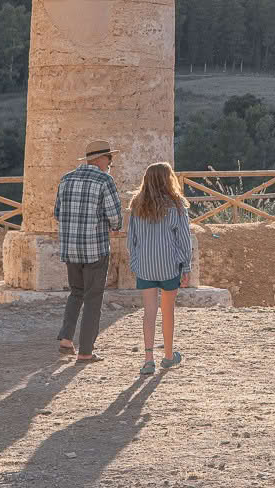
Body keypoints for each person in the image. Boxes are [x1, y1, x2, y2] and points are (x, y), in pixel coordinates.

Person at [53, 139, 123, 364]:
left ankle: (66, 339)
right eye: (110, 159)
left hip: (70, 248)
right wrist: (115, 226)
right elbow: (114, 215)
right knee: (93, 299)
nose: (110, 164)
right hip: (95, 248)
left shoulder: (66, 179)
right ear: (100, 159)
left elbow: (57, 212)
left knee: (76, 292)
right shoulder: (104, 180)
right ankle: (85, 351)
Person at [127, 161, 193, 376]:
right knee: (167, 311)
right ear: (168, 179)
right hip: (169, 266)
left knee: (149, 312)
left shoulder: (136, 205)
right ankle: (168, 355)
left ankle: (148, 359)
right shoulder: (176, 205)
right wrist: (186, 266)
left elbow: (132, 240)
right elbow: (184, 239)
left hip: (145, 266)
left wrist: (135, 263)